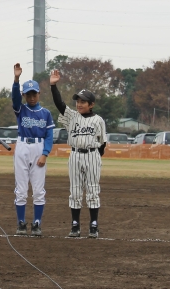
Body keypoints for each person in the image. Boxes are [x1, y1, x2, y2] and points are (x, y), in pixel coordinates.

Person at [50, 69, 106, 239]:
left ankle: (93, 225)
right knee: (75, 191)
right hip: (74, 155)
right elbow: (59, 104)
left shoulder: (98, 120)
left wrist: (94, 157)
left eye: (83, 102)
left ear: (91, 104)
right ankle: (75, 225)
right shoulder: (72, 117)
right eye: (78, 101)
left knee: (92, 190)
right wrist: (53, 86)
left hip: (92, 155)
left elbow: (102, 143)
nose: (79, 104)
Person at [11, 65, 54, 237]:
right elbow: (14, 98)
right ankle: (21, 223)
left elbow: (49, 136)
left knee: (38, 189)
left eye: (34, 94)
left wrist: (45, 153)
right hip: (22, 146)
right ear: (24, 95)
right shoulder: (21, 109)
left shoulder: (46, 113)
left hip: (38, 148)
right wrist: (16, 80)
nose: (31, 97)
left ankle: (37, 223)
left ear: (39, 93)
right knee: (21, 189)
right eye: (28, 94)